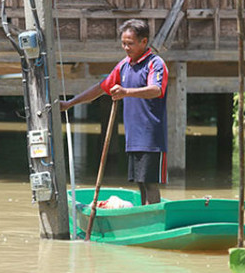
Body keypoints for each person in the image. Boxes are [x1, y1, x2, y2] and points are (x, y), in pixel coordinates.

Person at [60, 19, 168, 205]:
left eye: (130, 43)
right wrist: (71, 103)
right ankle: (142, 216)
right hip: (133, 136)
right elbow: (101, 88)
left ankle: (153, 221)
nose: (126, 47)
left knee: (150, 183)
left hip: (151, 136)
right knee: (140, 183)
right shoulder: (124, 66)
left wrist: (126, 92)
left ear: (144, 41)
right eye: (123, 43)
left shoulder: (155, 63)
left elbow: (156, 89)